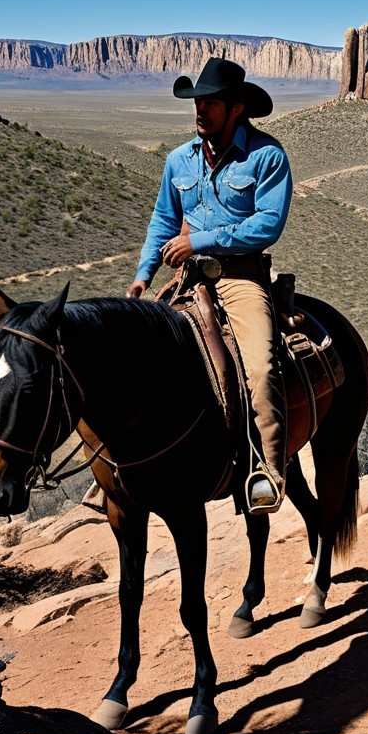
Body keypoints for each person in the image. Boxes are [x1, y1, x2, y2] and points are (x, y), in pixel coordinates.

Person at [128, 57, 292, 510]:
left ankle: (269, 470)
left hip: (239, 278)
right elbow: (163, 220)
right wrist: (144, 276)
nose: (200, 110)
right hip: (184, 277)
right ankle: (128, 463)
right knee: (135, 357)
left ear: (237, 108)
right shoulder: (179, 159)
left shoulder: (267, 156)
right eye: (197, 102)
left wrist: (199, 239)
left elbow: (267, 225)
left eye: (210, 103)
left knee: (260, 366)